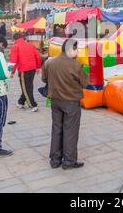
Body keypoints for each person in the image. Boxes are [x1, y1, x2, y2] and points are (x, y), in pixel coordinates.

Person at [41, 39, 89, 170]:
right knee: (70, 131)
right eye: (76, 49)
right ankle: (69, 161)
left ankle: (55, 160)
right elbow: (85, 83)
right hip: (71, 102)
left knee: (57, 129)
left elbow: (44, 79)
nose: (77, 52)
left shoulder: (49, 62)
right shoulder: (76, 65)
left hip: (55, 100)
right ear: (71, 50)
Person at [10, 33, 42, 112]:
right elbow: (38, 56)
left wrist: (12, 72)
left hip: (24, 69)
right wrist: (38, 67)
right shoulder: (30, 45)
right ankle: (20, 102)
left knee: (26, 87)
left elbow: (13, 61)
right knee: (28, 86)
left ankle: (33, 105)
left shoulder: (15, 46)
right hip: (32, 68)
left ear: (14, 39)